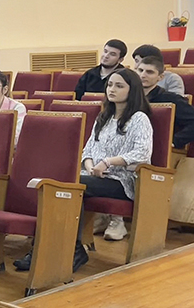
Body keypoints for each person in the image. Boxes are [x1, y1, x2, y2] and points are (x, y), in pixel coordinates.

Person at [16, 69, 151, 268]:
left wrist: (108, 162)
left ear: (133, 90)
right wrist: (90, 165)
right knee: (60, 185)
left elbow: (142, 153)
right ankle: (52, 248)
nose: (112, 89)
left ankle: (67, 250)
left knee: (68, 183)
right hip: (95, 176)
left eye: (119, 86)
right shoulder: (104, 117)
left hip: (122, 180)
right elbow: (88, 149)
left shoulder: (139, 118)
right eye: (110, 85)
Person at [134, 56, 194, 149]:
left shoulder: (171, 99)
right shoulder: (127, 96)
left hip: (156, 148)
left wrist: (174, 142)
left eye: (149, 72)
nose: (143, 75)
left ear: (160, 77)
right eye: (140, 70)